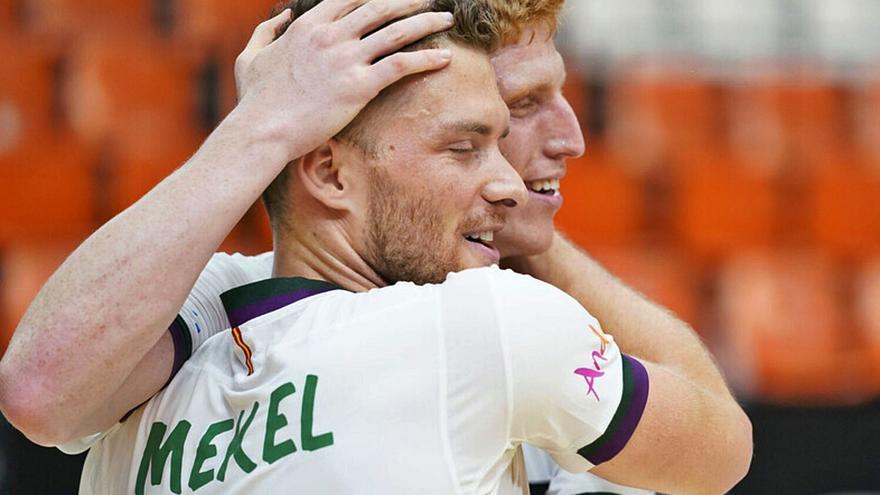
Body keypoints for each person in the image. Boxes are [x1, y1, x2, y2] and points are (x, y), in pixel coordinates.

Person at [0, 0, 753, 493]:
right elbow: (39, 389)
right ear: (327, 164)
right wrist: (261, 125)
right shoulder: (202, 304)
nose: (571, 138)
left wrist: (521, 234)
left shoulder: (506, 321)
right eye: (471, 139)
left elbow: (719, 447)